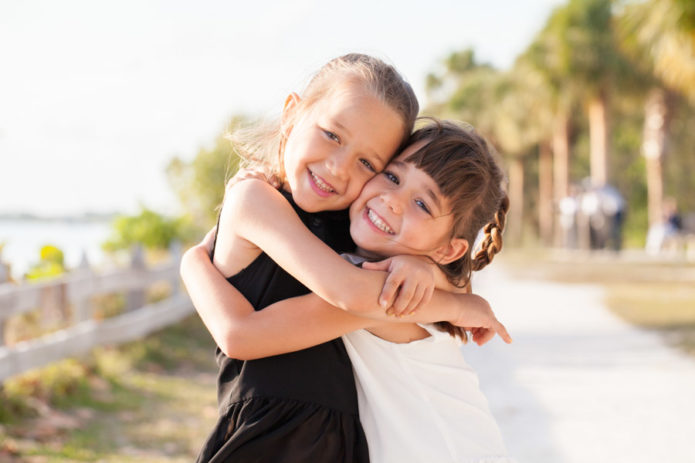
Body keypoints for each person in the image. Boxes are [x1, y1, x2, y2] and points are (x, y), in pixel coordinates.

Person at [182, 119, 514, 462]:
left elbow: (243, 333)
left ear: (449, 251)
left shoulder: (381, 291)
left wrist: (192, 263)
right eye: (392, 176)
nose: (393, 201)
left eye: (422, 204)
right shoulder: (375, 270)